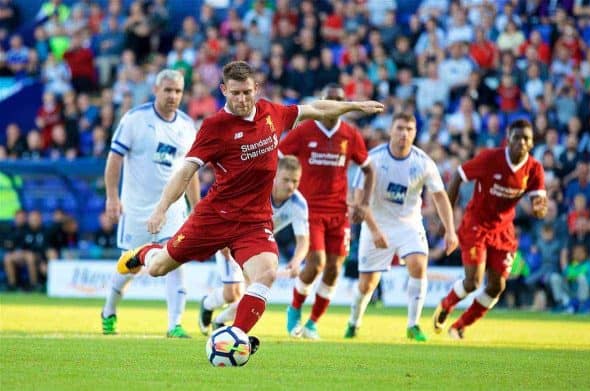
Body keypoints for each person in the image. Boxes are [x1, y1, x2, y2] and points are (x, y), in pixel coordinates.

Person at [115, 61, 383, 354]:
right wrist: (162, 208)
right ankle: (142, 253)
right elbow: (186, 171)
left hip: (254, 223)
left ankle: (234, 338)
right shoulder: (215, 127)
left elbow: (316, 109)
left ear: (256, 88)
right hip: (214, 217)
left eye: (246, 92)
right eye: (235, 93)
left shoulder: (272, 113)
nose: (242, 100)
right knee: (157, 268)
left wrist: (355, 106)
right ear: (223, 91)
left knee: (267, 273)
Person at [101, 69, 199, 338]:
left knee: (175, 260)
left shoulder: (187, 127)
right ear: (156, 90)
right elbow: (114, 159)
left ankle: (174, 324)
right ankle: (109, 309)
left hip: (172, 209)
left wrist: (197, 207)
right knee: (130, 268)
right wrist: (112, 196)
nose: (173, 96)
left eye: (178, 91)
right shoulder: (134, 119)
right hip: (136, 209)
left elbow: (189, 172)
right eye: (168, 90)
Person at [344, 113, 458, 341]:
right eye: (400, 128)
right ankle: (354, 323)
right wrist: (375, 231)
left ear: (415, 133)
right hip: (376, 222)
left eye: (409, 129)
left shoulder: (423, 162)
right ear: (391, 131)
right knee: (367, 285)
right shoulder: (373, 160)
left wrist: (450, 230)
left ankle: (413, 325)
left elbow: (440, 196)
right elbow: (357, 199)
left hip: (408, 223)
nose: (404, 134)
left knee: (418, 265)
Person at [433, 119, 547, 339]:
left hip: (503, 231)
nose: (521, 142)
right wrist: (444, 217)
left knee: (497, 286)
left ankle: (459, 326)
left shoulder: (534, 169)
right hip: (476, 223)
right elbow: (458, 175)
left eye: (526, 139)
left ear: (532, 143)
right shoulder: (490, 158)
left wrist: (539, 209)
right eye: (517, 137)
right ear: (508, 138)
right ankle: (446, 304)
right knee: (474, 281)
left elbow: (539, 203)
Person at [280, 83, 376, 340]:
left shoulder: (350, 135)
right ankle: (295, 308)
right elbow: (278, 156)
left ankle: (312, 322)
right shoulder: (305, 130)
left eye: (339, 100)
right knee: (317, 262)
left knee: (334, 268)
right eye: (329, 99)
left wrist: (364, 203)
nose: (334, 103)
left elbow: (368, 169)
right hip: (309, 210)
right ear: (321, 101)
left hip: (339, 212)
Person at [198, 155, 310, 334]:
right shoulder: (259, 191)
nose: (290, 185)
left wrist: (297, 261)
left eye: (295, 181)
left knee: (252, 293)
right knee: (231, 294)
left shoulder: (299, 203)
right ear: (275, 176)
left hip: (257, 248)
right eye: (286, 180)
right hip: (231, 239)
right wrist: (224, 242)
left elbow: (303, 240)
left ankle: (220, 322)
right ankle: (207, 304)